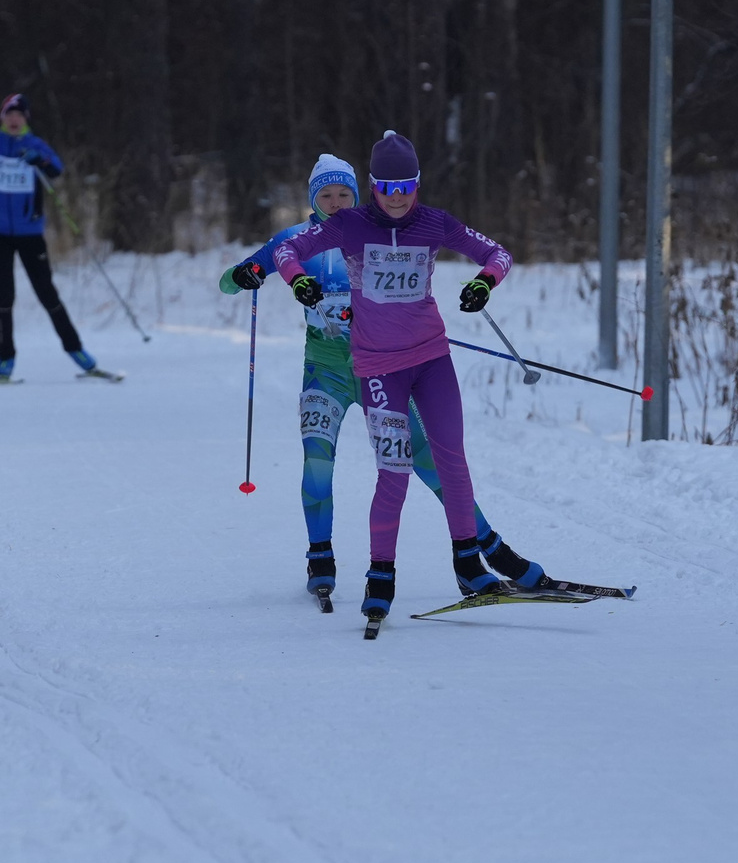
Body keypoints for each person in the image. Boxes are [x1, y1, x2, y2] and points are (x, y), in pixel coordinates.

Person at [224, 154, 548, 610]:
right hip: (326, 372)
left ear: (359, 196)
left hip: (380, 367)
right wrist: (243, 276)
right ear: (312, 199)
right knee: (318, 460)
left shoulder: (370, 228)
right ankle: (320, 558)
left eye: (344, 194)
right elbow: (235, 279)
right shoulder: (296, 238)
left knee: (427, 461)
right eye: (325, 195)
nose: (335, 203)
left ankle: (488, 546)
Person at [0, 94, 111, 383]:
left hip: (30, 232)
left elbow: (56, 168)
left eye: (19, 115)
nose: (14, 120)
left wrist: (38, 160)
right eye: (9, 114)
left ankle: (78, 352)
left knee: (47, 293)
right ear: (2, 117)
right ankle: (5, 360)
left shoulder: (35, 145)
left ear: (26, 119)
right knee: (4, 296)